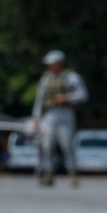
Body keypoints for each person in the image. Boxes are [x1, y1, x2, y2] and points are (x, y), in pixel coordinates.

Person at [31, 49, 87, 187]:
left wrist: (67, 97)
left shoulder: (71, 77)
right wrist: (36, 118)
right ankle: (48, 174)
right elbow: (39, 100)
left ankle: (73, 174)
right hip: (49, 115)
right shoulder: (45, 79)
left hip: (66, 114)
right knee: (47, 146)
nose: (49, 66)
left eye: (52, 63)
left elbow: (83, 94)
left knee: (67, 145)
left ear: (59, 63)